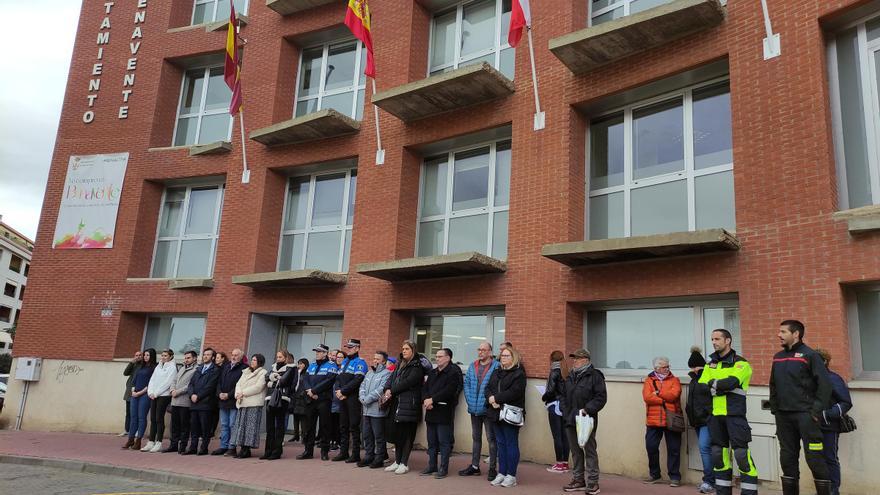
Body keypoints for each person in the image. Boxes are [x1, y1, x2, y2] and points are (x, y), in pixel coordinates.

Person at [770, 320, 833, 495]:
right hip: (783, 416)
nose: (779, 335)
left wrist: (815, 411)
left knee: (815, 458)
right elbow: (773, 385)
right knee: (787, 458)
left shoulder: (810, 355)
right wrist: (775, 409)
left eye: (783, 332)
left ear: (796, 334)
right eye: (779, 331)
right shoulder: (778, 356)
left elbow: (825, 385)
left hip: (807, 416)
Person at [698, 329, 758, 495]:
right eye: (712, 339)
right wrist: (718, 386)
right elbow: (701, 388)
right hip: (715, 416)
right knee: (718, 456)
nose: (714, 342)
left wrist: (713, 385)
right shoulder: (710, 364)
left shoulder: (741, 363)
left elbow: (732, 383)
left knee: (741, 456)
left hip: (735, 416)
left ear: (728, 341)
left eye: (717, 339)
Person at [383, 340, 431, 475]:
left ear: (413, 351)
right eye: (403, 349)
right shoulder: (400, 364)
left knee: (407, 435)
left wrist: (391, 390)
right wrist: (387, 388)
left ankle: (404, 463)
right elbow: (391, 378)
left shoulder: (417, 366)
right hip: (397, 404)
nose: (403, 351)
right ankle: (397, 461)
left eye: (407, 349)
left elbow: (408, 382)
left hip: (410, 404)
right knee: (397, 434)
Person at [562, 348, 606, 495]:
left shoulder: (595, 376)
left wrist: (588, 409)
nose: (574, 361)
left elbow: (600, 398)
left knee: (589, 451)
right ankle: (578, 480)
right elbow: (563, 395)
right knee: (575, 451)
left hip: (586, 419)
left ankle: (593, 483)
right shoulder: (570, 376)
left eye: (577, 359)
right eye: (574, 359)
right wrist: (564, 410)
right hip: (570, 418)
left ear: (586, 360)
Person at [485, 345, 526, 488]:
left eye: (507, 356)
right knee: (500, 444)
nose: (504, 358)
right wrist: (491, 398)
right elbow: (488, 387)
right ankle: (501, 473)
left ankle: (511, 475)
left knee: (511, 443)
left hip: (510, 413)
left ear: (513, 358)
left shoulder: (519, 373)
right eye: (502, 356)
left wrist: (496, 399)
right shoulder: (496, 371)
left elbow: (515, 392)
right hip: (495, 412)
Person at [815, 348, 853, 495]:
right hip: (812, 428)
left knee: (830, 458)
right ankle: (822, 490)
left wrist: (825, 415)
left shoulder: (833, 378)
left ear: (824, 362)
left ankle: (833, 490)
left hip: (829, 427)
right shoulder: (809, 379)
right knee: (816, 459)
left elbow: (845, 403)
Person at [460, 341, 499, 480]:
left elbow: (495, 387)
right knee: (476, 438)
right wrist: (470, 401)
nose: (480, 352)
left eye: (483, 349)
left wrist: (487, 402)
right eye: (479, 349)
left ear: (490, 352)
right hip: (474, 409)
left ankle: (493, 468)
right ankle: (475, 466)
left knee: (491, 439)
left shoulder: (496, 366)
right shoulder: (472, 366)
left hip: (488, 409)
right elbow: (467, 385)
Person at [422, 347, 463, 479]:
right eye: (436, 356)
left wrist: (432, 399)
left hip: (443, 411)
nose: (437, 358)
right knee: (432, 441)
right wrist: (426, 400)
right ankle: (432, 465)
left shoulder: (453, 372)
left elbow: (449, 390)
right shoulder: (433, 372)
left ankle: (443, 468)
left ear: (448, 358)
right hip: (430, 410)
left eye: (440, 356)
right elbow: (425, 388)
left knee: (444, 442)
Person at [642, 356, 683, 487]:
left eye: (668, 366)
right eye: (664, 367)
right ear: (656, 368)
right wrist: (663, 399)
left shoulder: (675, 380)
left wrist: (658, 393)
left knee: (674, 449)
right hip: (653, 421)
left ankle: (675, 476)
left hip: (671, 420)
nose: (667, 369)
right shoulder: (649, 380)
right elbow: (647, 398)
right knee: (651, 447)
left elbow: (674, 395)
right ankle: (655, 474)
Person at [299, 344, 339, 461]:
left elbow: (329, 380)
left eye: (319, 352)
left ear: (325, 353)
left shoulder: (331, 365)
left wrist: (315, 390)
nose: (317, 353)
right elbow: (305, 379)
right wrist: (309, 391)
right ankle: (308, 451)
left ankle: (324, 451)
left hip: (323, 399)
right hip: (311, 399)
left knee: (325, 426)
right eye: (316, 351)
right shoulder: (312, 365)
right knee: (309, 426)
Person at [685, 347, 715, 493]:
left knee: (705, 449)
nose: (694, 369)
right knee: (706, 450)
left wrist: (708, 415)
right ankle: (709, 480)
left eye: (694, 367)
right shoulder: (693, 380)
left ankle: (710, 481)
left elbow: (711, 399)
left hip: (707, 420)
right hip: (697, 420)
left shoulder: (706, 377)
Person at [333, 339, 368, 463]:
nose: (349, 349)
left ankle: (356, 454)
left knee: (354, 426)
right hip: (342, 397)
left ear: (357, 348)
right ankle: (343, 452)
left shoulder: (360, 362)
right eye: (348, 347)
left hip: (353, 398)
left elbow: (358, 380)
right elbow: (338, 378)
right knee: (343, 426)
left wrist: (343, 391)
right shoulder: (345, 362)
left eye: (351, 347)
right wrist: (338, 391)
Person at [231, 353, 268, 459]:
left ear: (260, 362)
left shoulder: (263, 373)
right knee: (241, 426)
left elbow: (258, 387)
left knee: (250, 427)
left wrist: (243, 393)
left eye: (255, 360)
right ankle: (242, 447)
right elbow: (238, 384)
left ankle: (246, 449)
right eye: (252, 360)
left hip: (253, 403)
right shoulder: (246, 372)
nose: (252, 362)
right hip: (242, 402)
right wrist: (238, 393)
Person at [183, 348, 219, 456]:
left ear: (213, 357)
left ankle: (204, 448)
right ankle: (193, 447)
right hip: (194, 403)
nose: (205, 356)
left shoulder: (215, 370)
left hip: (206, 403)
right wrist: (192, 394)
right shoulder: (199, 369)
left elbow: (210, 387)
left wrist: (198, 396)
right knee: (194, 427)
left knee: (205, 428)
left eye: (208, 355)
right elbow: (191, 384)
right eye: (204, 354)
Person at [359, 350, 392, 468]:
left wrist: (367, 399)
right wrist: (362, 397)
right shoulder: (369, 373)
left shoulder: (387, 373)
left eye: (378, 359)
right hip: (366, 410)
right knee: (367, 435)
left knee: (379, 436)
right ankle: (369, 456)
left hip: (377, 411)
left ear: (384, 361)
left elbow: (382, 389)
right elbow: (362, 386)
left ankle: (379, 458)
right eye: (374, 358)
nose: (375, 361)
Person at [262, 349, 297, 460]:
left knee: (279, 426)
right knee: (270, 426)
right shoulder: (273, 367)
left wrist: (273, 380)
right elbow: (266, 379)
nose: (278, 359)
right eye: (277, 357)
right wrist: (274, 379)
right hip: (270, 397)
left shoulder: (291, 368)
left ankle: (277, 451)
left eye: (280, 357)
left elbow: (284, 382)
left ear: (286, 358)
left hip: (282, 399)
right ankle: (268, 451)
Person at [541, 350, 569, 474]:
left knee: (556, 436)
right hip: (565, 406)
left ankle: (558, 464)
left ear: (551, 359)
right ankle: (565, 464)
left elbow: (551, 390)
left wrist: (544, 396)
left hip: (554, 405)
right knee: (565, 436)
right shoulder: (567, 371)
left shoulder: (554, 371)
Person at [123, 348, 156, 451]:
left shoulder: (154, 368)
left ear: (152, 356)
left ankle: (138, 441)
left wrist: (140, 393)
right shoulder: (140, 366)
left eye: (148, 355)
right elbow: (134, 380)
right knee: (133, 417)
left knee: (141, 417)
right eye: (145, 355)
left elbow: (151, 383)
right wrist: (133, 391)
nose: (146, 357)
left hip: (145, 395)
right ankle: (130, 439)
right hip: (135, 394)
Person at [143, 349, 176, 453]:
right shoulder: (158, 366)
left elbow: (168, 382)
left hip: (163, 396)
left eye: (165, 355)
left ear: (170, 357)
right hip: (154, 395)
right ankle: (151, 441)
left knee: (159, 418)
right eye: (162, 355)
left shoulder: (172, 367)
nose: (163, 357)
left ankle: (159, 442)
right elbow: (152, 379)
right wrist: (150, 392)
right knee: (152, 418)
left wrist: (156, 393)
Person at [214, 348, 245, 456]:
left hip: (233, 401)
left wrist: (229, 394)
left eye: (236, 355)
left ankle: (232, 447)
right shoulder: (226, 367)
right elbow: (219, 382)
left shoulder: (243, 368)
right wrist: (220, 393)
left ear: (241, 357)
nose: (233, 357)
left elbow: (240, 385)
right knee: (224, 424)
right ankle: (223, 446)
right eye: (232, 354)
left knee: (232, 424)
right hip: (223, 400)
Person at [165, 350, 197, 454]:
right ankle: (173, 445)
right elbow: (174, 380)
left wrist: (177, 392)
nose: (186, 360)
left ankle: (182, 446)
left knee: (184, 426)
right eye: (185, 358)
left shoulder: (196, 369)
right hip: (175, 401)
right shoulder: (182, 367)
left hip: (184, 402)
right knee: (174, 426)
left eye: (188, 358)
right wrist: (172, 390)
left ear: (194, 358)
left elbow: (190, 385)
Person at [121, 351, 144, 437]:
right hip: (129, 391)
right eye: (136, 355)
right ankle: (127, 430)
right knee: (128, 413)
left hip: (138, 391)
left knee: (137, 413)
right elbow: (125, 373)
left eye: (139, 355)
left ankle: (135, 431)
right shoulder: (133, 365)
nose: (138, 357)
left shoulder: (143, 366)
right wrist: (131, 363)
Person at [288, 358, 309, 444]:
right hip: (295, 396)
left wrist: (302, 393)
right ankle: (295, 435)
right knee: (295, 416)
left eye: (301, 364)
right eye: (298, 364)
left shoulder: (306, 373)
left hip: (302, 397)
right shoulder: (297, 372)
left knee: (303, 418)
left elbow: (305, 384)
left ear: (305, 364)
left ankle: (304, 436)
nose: (299, 365)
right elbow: (293, 383)